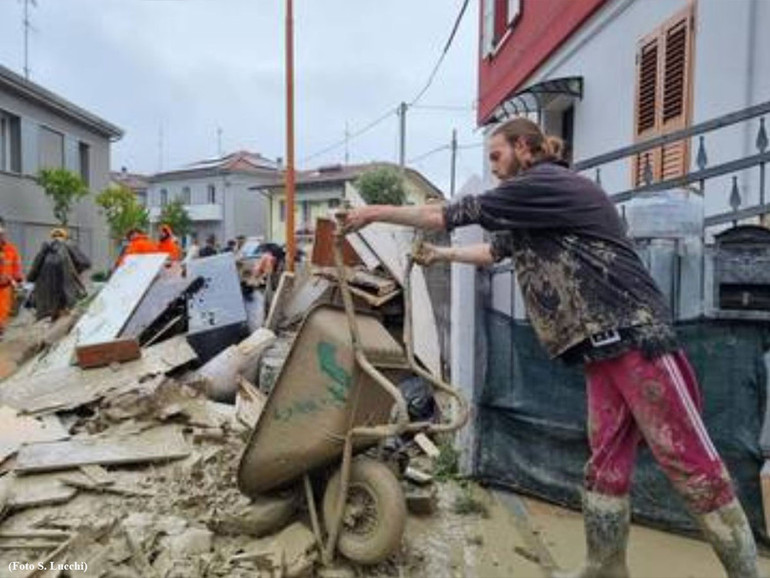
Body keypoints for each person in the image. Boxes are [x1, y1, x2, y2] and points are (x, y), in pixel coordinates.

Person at [342, 117, 762, 578]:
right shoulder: (532, 205)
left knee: (688, 459)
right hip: (600, 350)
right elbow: (494, 252)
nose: (495, 167)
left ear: (525, 147)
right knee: (605, 465)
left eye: (497, 155)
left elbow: (444, 215)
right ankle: (604, 569)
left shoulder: (545, 182)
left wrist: (373, 212)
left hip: (636, 335)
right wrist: (442, 256)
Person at [27, 228, 90, 321]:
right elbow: (85, 263)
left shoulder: (44, 249)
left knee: (54, 318)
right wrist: (75, 271)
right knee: (64, 318)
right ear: (65, 237)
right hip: (64, 294)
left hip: (45, 298)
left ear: (52, 237)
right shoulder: (69, 246)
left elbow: (31, 276)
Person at [0, 225, 23, 336]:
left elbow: (16, 265)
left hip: (5, 286)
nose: (1, 237)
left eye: (2, 235)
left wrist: (18, 279)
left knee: (4, 309)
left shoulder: (11, 249)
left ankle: (1, 329)